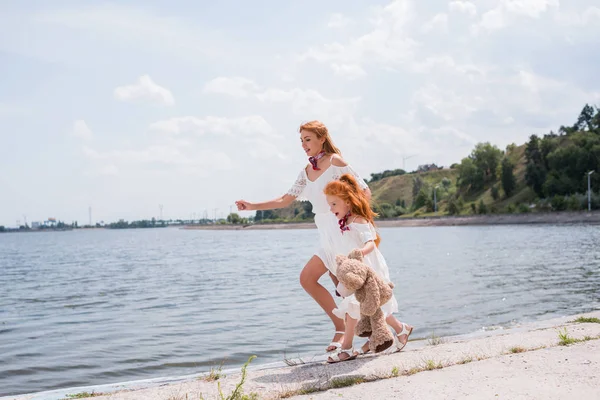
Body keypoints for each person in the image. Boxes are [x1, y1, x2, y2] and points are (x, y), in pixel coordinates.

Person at [235, 120, 370, 353]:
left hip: (344, 233)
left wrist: (357, 223)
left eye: (308, 139)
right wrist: (252, 206)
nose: (304, 145)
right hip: (326, 237)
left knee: (353, 288)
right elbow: (284, 199)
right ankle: (344, 328)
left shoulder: (336, 163)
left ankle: (381, 329)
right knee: (311, 280)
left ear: (321, 139)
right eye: (301, 141)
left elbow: (364, 191)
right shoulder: (306, 173)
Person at [323, 173, 413, 363]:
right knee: (370, 306)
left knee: (356, 306)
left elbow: (371, 243)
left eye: (334, 204)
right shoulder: (345, 222)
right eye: (329, 204)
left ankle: (346, 348)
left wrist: (360, 253)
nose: (331, 209)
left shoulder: (359, 221)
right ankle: (401, 329)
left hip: (368, 268)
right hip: (357, 271)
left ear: (347, 202)